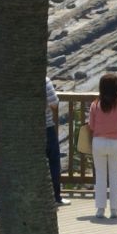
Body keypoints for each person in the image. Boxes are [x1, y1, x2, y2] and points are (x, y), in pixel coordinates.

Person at [88, 72, 117, 219]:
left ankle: (100, 209)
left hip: (98, 142)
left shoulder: (95, 104)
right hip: (115, 142)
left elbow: (91, 125)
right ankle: (115, 210)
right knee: (115, 176)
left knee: (100, 176)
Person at [46, 76, 68, 206]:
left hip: (26, 131)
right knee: (53, 163)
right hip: (46, 128)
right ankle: (55, 196)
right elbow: (54, 103)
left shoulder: (17, 79)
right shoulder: (44, 80)